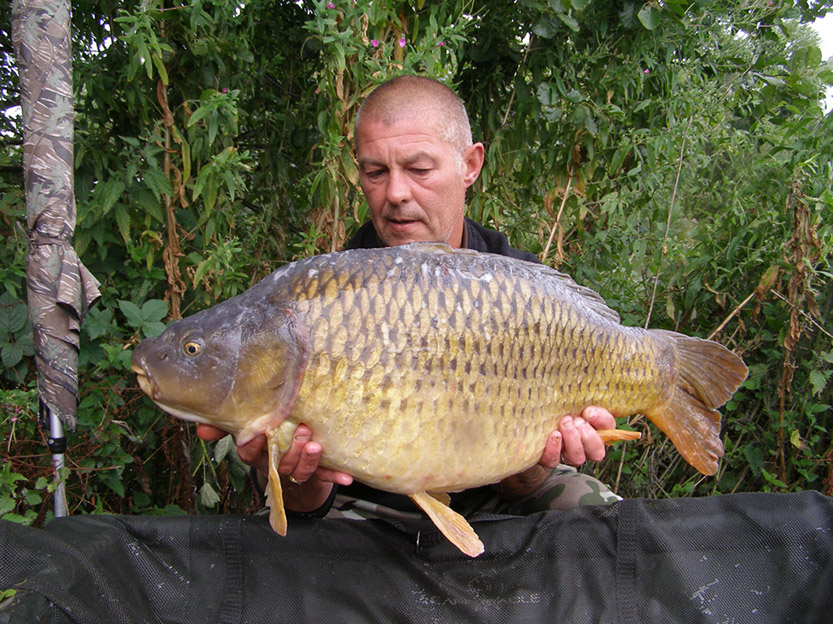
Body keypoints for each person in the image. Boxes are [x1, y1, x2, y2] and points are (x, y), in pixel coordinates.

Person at [197, 75, 620, 520]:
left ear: (470, 164)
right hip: (366, 503)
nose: (396, 194)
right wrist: (301, 478)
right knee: (287, 544)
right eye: (375, 172)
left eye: (419, 170)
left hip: (493, 494)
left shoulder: (522, 289)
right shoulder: (326, 293)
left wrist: (538, 460)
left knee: (595, 513)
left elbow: (523, 484)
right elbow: (303, 506)